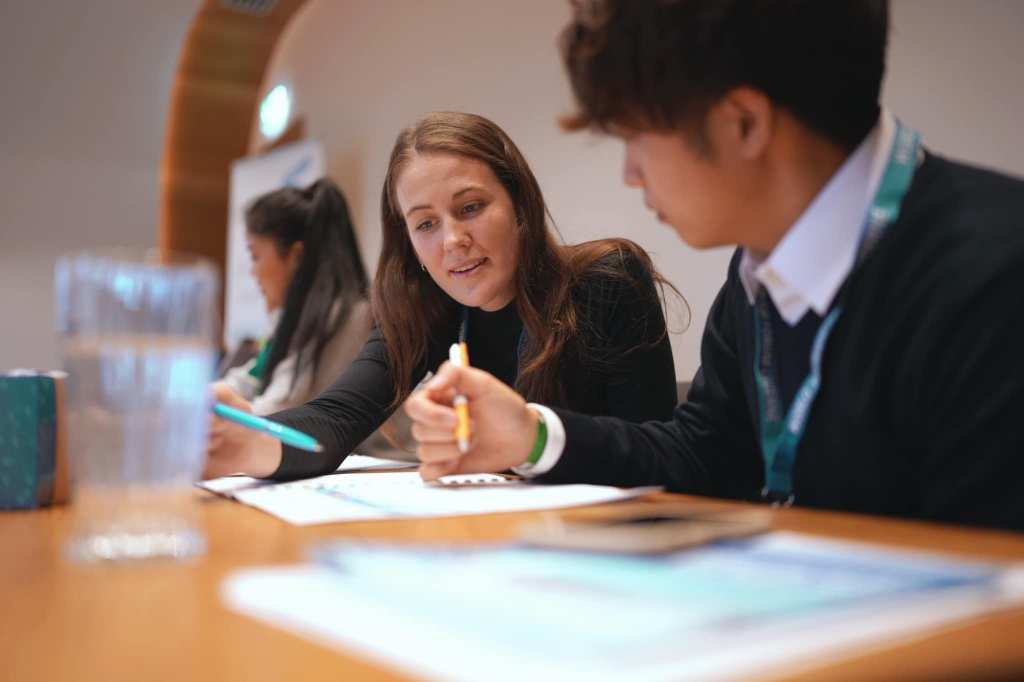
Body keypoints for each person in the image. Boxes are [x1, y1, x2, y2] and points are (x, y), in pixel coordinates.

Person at [407, 0, 1024, 531]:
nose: (631, 172)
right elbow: (707, 455)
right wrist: (531, 435)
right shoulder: (762, 267)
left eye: (636, 137)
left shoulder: (992, 274)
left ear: (742, 124)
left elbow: (988, 585)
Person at [205, 111, 679, 480]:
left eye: (470, 208)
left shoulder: (606, 280)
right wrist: (248, 442)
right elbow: (335, 418)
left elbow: (661, 455)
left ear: (520, 204)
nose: (452, 240)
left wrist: (531, 442)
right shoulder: (423, 307)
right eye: (425, 224)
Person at [217, 179, 374, 416]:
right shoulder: (298, 319)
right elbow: (253, 377)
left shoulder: (345, 317)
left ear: (296, 256)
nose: (253, 272)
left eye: (255, 256)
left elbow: (281, 411)